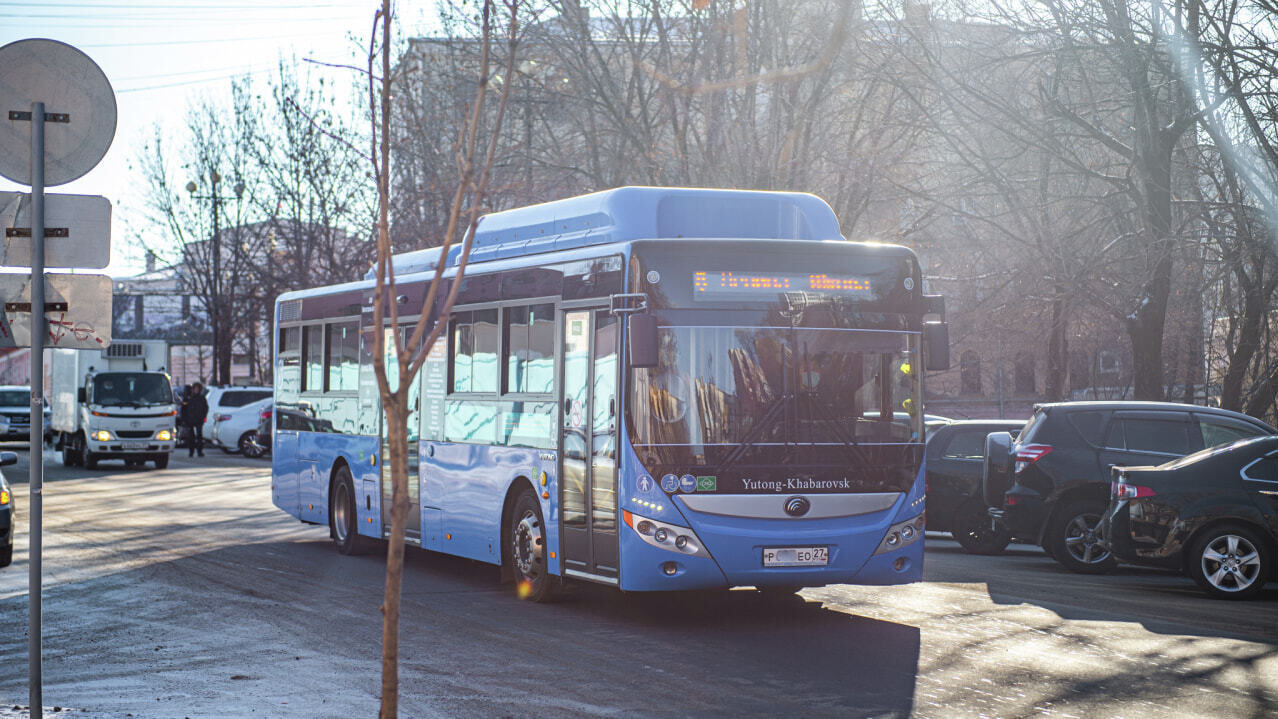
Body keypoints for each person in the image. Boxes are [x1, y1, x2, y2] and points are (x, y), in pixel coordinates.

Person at [186, 382, 209, 457]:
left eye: (197, 389)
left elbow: (205, 408)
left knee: (199, 436)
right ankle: (191, 451)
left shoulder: (202, 398)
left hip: (199, 419)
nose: (196, 390)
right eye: (195, 389)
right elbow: (186, 409)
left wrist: (203, 417)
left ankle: (199, 451)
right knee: (191, 437)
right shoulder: (190, 398)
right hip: (191, 420)